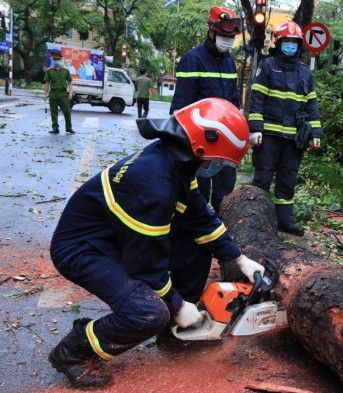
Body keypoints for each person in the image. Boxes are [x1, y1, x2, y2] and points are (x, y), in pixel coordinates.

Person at [48, 98, 265, 389]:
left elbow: (200, 217)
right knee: (148, 311)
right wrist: (176, 305)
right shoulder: (155, 186)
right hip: (82, 249)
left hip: (116, 237)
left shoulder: (176, 162)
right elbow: (146, 265)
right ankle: (72, 350)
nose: (217, 166)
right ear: (202, 147)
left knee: (197, 242)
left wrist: (239, 259)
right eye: (218, 160)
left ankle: (173, 332)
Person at [248, 21, 323, 236]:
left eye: (294, 43)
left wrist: (316, 132)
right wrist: (255, 129)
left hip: (293, 140)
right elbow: (257, 100)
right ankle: (255, 221)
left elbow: (312, 105)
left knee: (287, 180)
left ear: (299, 45)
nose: (290, 46)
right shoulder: (268, 66)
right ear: (278, 43)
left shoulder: (305, 73)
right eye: (286, 42)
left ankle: (284, 222)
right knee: (262, 178)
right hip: (269, 136)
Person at [170, 5, 243, 214]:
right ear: (211, 31)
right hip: (200, 141)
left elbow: (233, 100)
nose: (226, 40)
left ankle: (219, 235)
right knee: (196, 197)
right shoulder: (192, 60)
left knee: (225, 194)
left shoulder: (230, 62)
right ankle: (194, 239)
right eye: (222, 35)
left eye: (230, 38)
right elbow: (181, 105)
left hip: (225, 140)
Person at [43, 51, 74, 134]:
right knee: (53, 112)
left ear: (61, 60)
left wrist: (70, 92)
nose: (56, 61)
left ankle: (69, 128)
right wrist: (45, 94)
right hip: (53, 94)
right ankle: (55, 128)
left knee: (67, 112)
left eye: (57, 59)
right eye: (54, 59)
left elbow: (70, 82)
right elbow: (47, 83)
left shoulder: (65, 71)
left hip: (63, 94)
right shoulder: (49, 71)